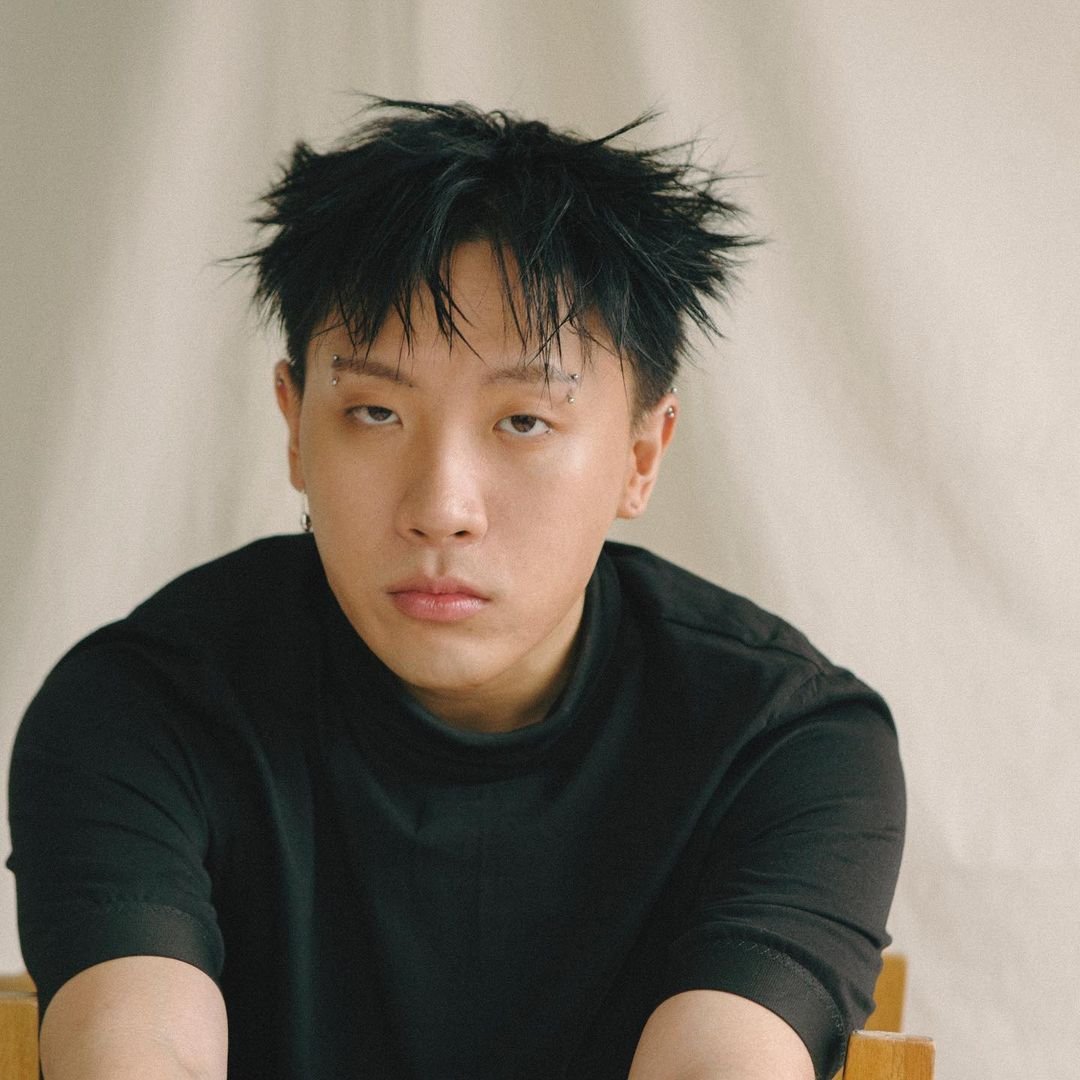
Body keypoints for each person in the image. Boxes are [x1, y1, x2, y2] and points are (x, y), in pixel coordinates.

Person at [7, 99, 904, 1080]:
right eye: (375, 411)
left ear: (642, 454)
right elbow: (135, 1050)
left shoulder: (780, 743)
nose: (441, 509)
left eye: (523, 422)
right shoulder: (141, 710)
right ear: (295, 426)